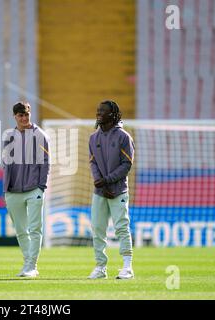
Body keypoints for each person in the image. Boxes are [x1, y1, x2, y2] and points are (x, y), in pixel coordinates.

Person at [88, 100, 135, 280]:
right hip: (100, 192)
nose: (99, 113)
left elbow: (127, 164)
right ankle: (100, 267)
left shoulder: (124, 137)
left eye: (103, 111)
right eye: (98, 110)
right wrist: (99, 181)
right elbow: (93, 162)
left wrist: (106, 181)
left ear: (113, 114)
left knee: (122, 227)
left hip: (118, 191)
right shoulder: (93, 138)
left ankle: (127, 267)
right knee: (98, 229)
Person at [2, 101, 50, 277]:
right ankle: (27, 263)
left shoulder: (40, 135)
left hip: (33, 190)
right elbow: (6, 164)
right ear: (14, 116)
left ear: (30, 114)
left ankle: (31, 266)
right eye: (20, 115)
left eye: (26, 114)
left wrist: (41, 187)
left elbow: (46, 162)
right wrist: (5, 189)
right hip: (13, 190)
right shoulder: (8, 136)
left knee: (35, 229)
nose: (24, 118)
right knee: (21, 230)